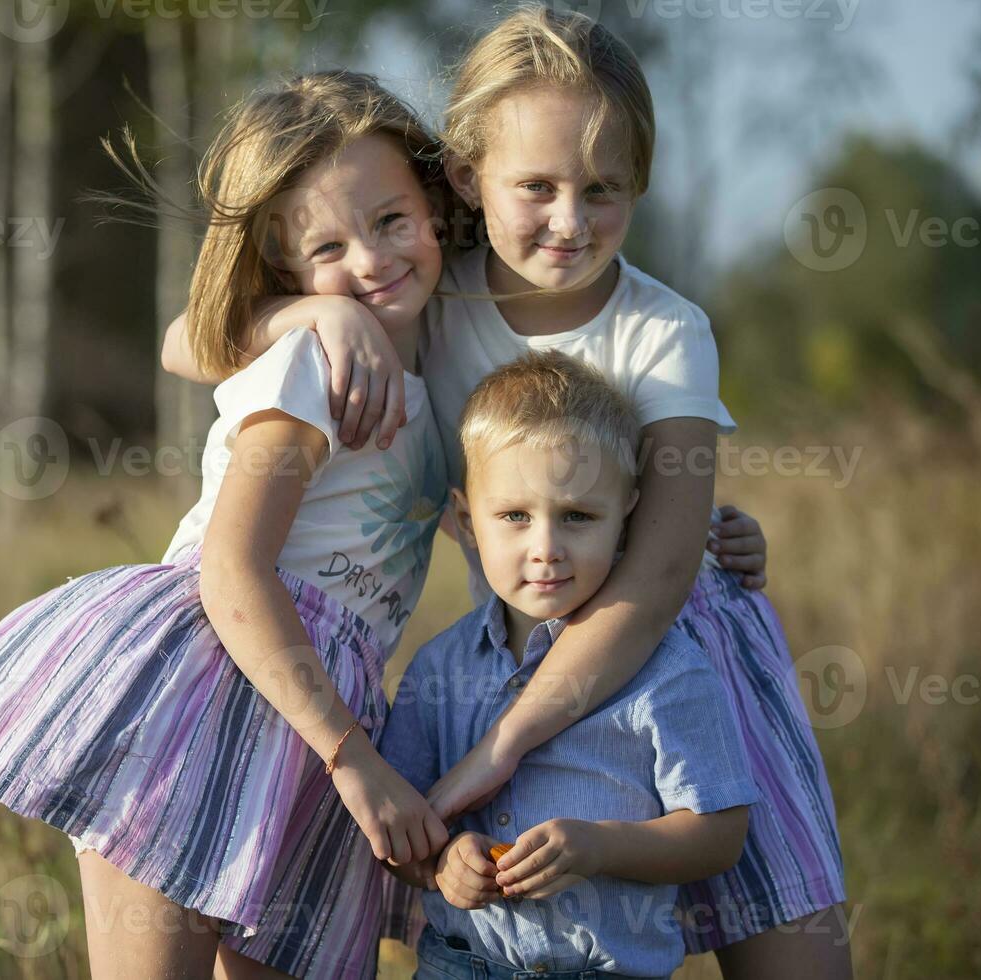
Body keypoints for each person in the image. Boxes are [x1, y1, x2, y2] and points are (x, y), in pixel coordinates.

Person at [160, 9, 848, 978]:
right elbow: (187, 340)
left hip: (684, 657)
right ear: (465, 177)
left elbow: (651, 584)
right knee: (523, 933)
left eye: (603, 190)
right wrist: (310, 312)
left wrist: (504, 745)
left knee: (789, 950)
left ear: (640, 185)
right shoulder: (430, 295)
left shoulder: (666, 331)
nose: (570, 220)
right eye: (537, 187)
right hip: (518, 638)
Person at [0, 70, 457, 980]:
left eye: (392, 221)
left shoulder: (438, 378)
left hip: (319, 721)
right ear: (282, 267)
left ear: (433, 206)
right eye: (328, 249)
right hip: (213, 687)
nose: (370, 261)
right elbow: (233, 572)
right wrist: (356, 759)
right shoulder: (314, 361)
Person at [380, 350, 758, 979]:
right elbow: (400, 824)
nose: (546, 548)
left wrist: (601, 846)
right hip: (460, 965)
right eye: (514, 517)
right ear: (467, 521)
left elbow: (720, 833)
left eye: (578, 516)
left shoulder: (668, 672)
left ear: (627, 517)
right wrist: (442, 864)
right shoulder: (438, 669)